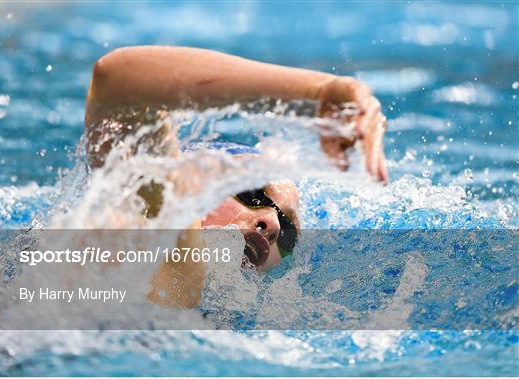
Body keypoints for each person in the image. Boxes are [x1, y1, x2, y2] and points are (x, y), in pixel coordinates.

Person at [84, 46, 388, 307]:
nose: (271, 223)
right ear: (190, 178)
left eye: (288, 233)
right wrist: (319, 90)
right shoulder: (164, 262)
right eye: (252, 192)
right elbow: (120, 79)